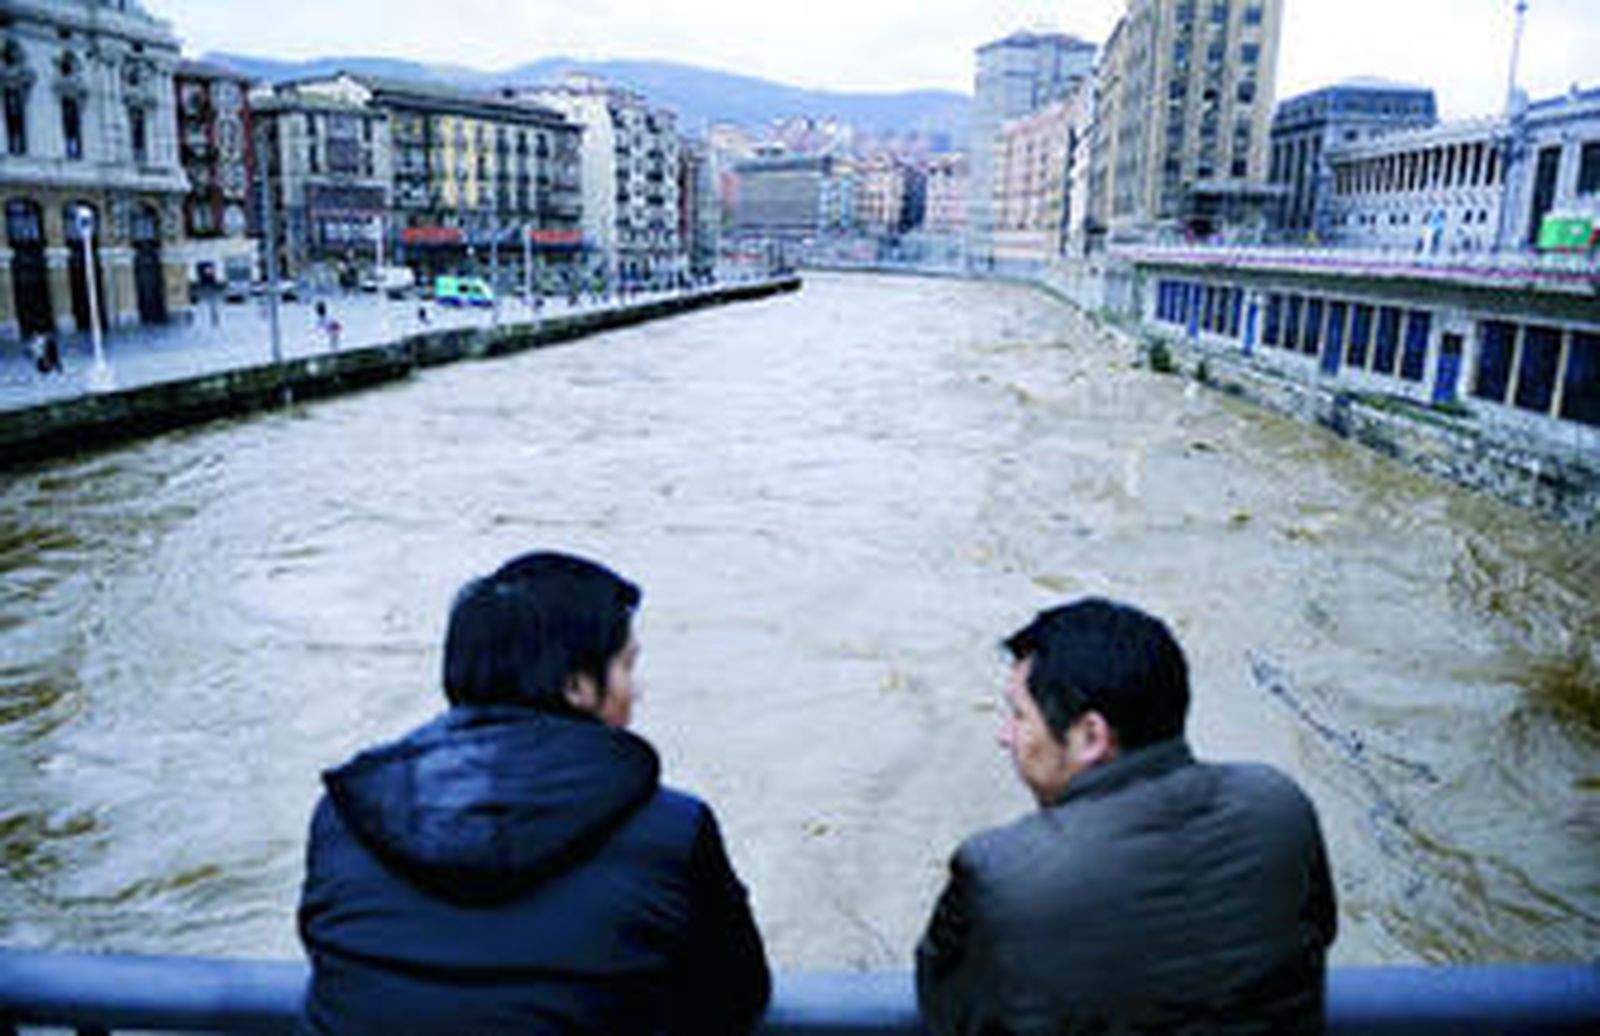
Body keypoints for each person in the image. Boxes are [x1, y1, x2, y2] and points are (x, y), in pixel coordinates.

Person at [297, 551, 770, 1036]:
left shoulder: (345, 815)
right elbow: (736, 997)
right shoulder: (672, 829)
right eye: (627, 665)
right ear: (577, 687)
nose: (638, 690)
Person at [916, 598, 1336, 1036]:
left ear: (1091, 735)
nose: (1005, 736)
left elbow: (947, 1008)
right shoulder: (1279, 807)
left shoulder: (1002, 871)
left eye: (1020, 715)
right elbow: (1317, 935)